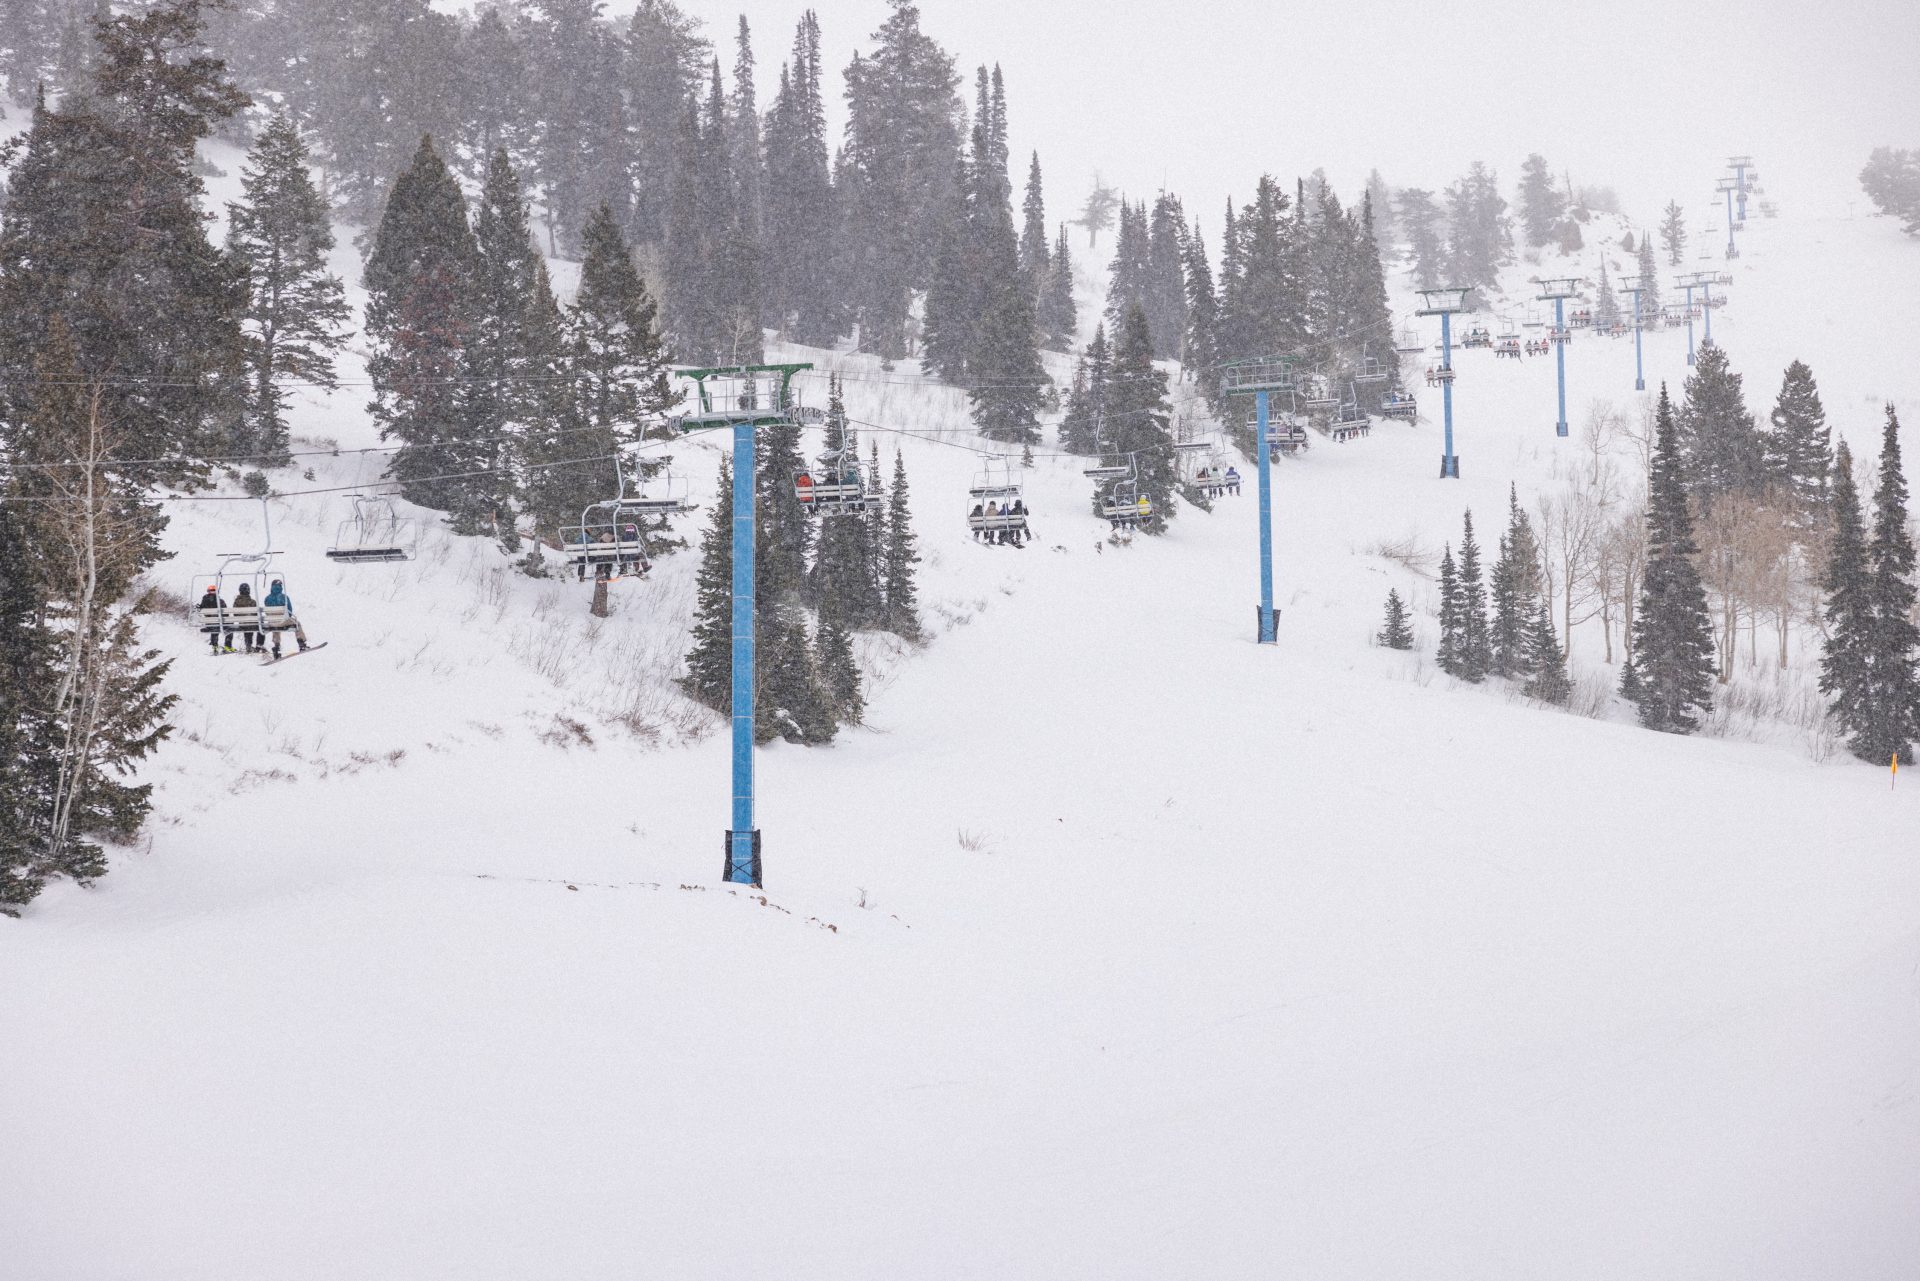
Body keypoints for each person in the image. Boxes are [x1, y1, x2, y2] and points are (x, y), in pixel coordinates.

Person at [262, 579, 310, 659]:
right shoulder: (284, 597)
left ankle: (276, 647)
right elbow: (290, 611)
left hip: (272, 621)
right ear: (280, 586)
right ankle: (301, 643)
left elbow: (267, 612)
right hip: (283, 621)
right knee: (297, 624)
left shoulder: (267, 598)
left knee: (275, 626)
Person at [230, 583, 264, 653]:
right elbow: (256, 614)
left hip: (242, 624)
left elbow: (235, 614)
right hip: (252, 623)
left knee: (246, 625)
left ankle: (248, 644)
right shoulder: (252, 602)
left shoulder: (236, 602)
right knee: (260, 625)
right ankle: (259, 645)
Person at [198, 584, 232, 654]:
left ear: (208, 591)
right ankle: (227, 647)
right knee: (229, 628)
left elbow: (201, 608)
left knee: (214, 628)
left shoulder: (205, 600)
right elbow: (226, 613)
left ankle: (215, 648)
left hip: (209, 624)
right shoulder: (220, 601)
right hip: (220, 623)